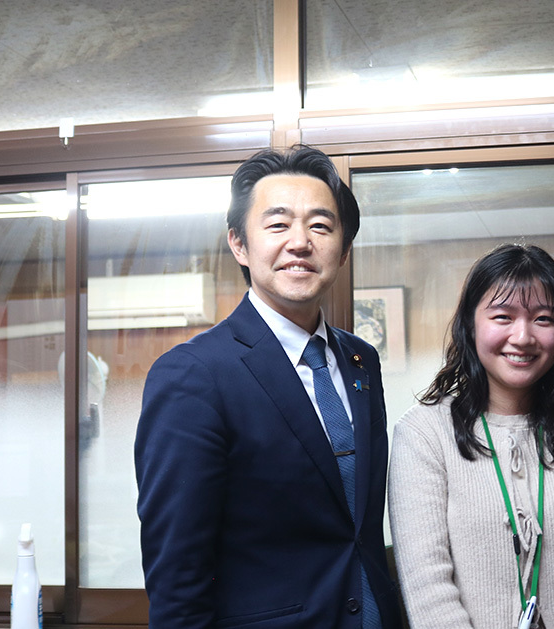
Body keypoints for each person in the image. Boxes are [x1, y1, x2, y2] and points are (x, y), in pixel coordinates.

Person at [135, 145, 400, 628]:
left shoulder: (362, 361)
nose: (300, 242)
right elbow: (177, 574)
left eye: (320, 225)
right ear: (239, 243)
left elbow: (357, 530)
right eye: (278, 224)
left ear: (342, 249)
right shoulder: (194, 374)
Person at [388, 243, 554, 629]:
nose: (522, 337)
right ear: (470, 324)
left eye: (543, 319)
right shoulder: (423, 434)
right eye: (502, 316)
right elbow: (428, 588)